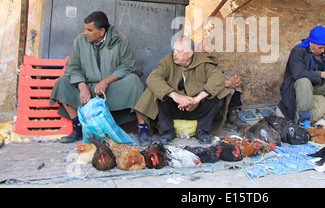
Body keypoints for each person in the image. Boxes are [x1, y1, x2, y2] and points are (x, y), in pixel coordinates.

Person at [49, 11, 144, 143]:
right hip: (87, 88)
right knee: (62, 82)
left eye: (89, 30)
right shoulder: (80, 41)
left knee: (134, 81)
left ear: (101, 32)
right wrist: (82, 86)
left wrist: (106, 81)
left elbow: (128, 65)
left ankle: (143, 129)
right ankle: (78, 128)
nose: (85, 33)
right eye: (85, 29)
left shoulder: (120, 39)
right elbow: (72, 67)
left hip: (111, 88)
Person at [134, 36, 231, 144]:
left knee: (220, 93)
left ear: (190, 53)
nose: (174, 54)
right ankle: (167, 130)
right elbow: (153, 78)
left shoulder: (203, 62)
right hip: (174, 108)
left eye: (179, 51)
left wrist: (197, 99)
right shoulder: (167, 61)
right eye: (173, 50)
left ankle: (202, 130)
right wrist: (175, 96)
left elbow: (217, 78)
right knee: (155, 89)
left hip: (197, 108)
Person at [278, 26, 325, 127]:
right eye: (320, 48)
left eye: (324, 47)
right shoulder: (298, 51)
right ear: (311, 43)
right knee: (304, 81)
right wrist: (322, 74)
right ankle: (303, 118)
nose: (323, 50)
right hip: (299, 88)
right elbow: (298, 73)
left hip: (318, 85)